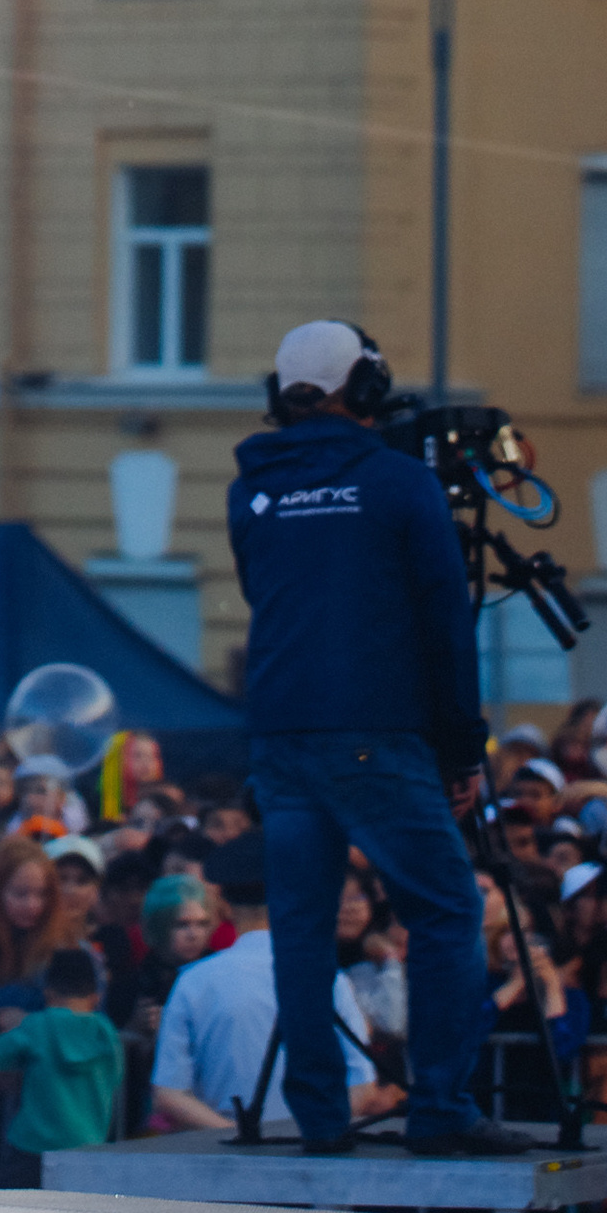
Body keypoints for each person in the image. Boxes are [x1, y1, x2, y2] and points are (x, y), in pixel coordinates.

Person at [227, 318, 500, 1158]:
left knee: (303, 928)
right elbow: (448, 630)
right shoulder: (400, 484)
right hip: (374, 734)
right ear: (367, 390)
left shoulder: (250, 492)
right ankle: (442, 1108)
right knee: (448, 908)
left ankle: (319, 1117)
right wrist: (463, 752)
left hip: (280, 733)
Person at [149, 837, 388, 1137]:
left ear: (224, 905)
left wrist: (236, 1132)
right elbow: (363, 1085)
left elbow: (169, 1092)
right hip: (309, 1149)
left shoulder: (193, 982)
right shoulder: (328, 977)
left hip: (224, 1153)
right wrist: (300, 1130)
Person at [0, 944, 126, 1181]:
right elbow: (116, 1077)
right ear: (95, 997)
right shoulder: (106, 1032)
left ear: (48, 993)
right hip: (88, 1146)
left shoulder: (38, 1025)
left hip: (33, 1148)